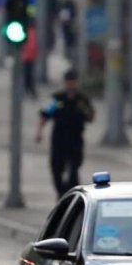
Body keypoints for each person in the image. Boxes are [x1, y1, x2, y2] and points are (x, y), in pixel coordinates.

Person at [35, 69, 95, 198]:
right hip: (59, 140)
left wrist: (86, 111)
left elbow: (90, 117)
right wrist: (39, 132)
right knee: (56, 169)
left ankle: (71, 197)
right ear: (65, 83)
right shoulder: (58, 99)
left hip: (75, 140)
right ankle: (61, 194)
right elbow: (46, 115)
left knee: (74, 170)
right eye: (69, 82)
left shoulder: (82, 100)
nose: (71, 85)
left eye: (73, 82)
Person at [21, 19, 38, 99]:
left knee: (28, 76)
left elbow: (30, 46)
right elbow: (32, 46)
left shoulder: (28, 33)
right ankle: (30, 92)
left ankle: (29, 91)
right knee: (29, 76)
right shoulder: (31, 33)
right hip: (29, 58)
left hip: (27, 58)